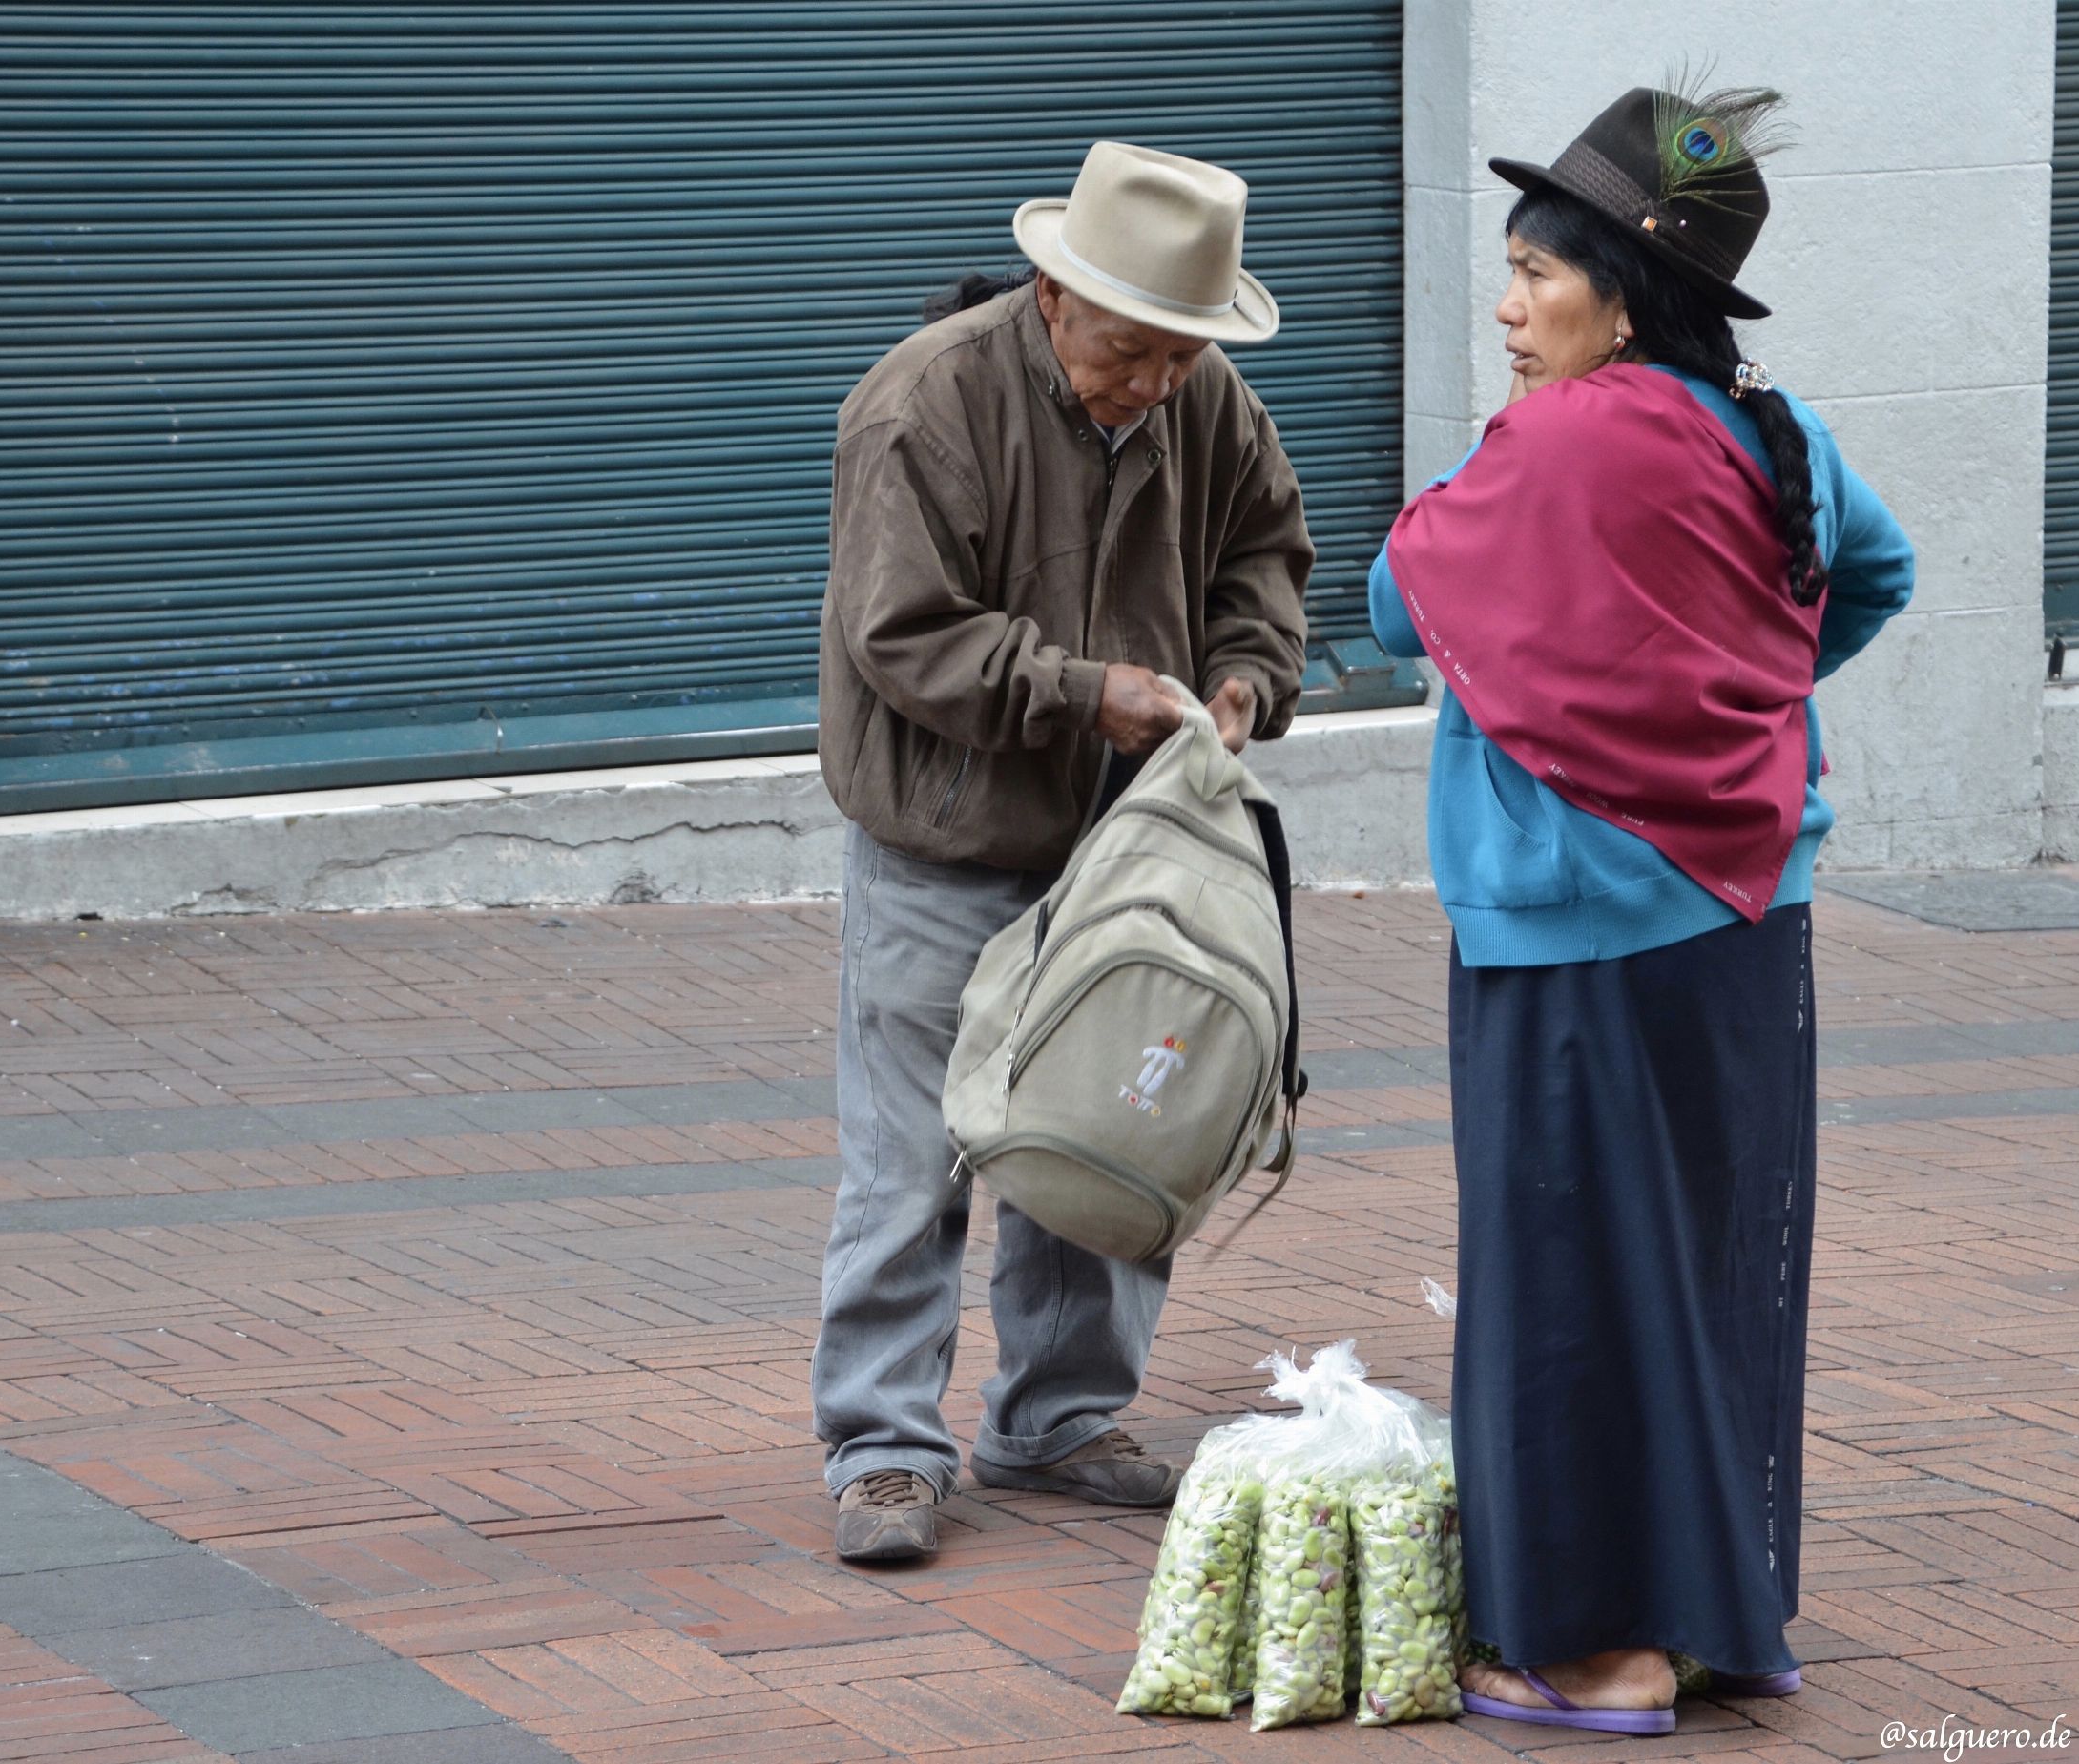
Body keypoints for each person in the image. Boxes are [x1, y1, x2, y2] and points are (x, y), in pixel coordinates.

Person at [1367, 86, 1914, 1732]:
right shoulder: (1777, 427)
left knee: (1569, 1278)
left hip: (1576, 924)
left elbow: (1402, 597)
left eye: (1540, 272)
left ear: (1626, 292)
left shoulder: (1562, 439)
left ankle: (1595, 1648)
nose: (1511, 304)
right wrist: (1739, 685)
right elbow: (1876, 569)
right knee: (1714, 1263)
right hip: (1753, 912)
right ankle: (1717, 1619)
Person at [814, 140, 1313, 1564]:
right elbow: (900, 634)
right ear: (1053, 292)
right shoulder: (926, 402)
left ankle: (1058, 1415)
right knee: (911, 1157)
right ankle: (882, 1444)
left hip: (1125, 843)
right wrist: (1088, 690)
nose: (1157, 381)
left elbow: (1267, 561)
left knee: (1112, 1122)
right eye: (1133, 350)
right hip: (945, 832)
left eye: (1183, 354)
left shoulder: (1205, 399)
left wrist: (1241, 681)